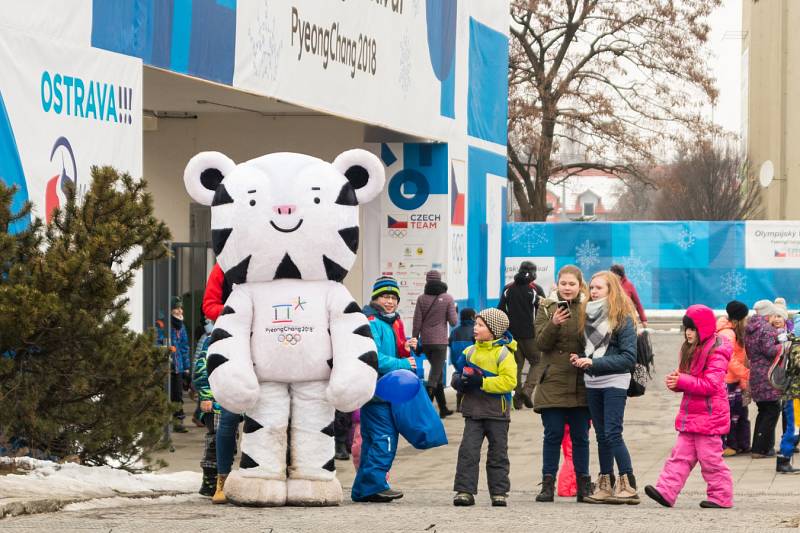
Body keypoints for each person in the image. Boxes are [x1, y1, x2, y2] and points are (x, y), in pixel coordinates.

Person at [645, 304, 733, 509]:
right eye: (686, 328)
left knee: (710, 461)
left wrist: (682, 381)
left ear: (702, 328)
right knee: (680, 456)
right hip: (692, 415)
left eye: (692, 328)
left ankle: (722, 497)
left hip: (709, 417)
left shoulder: (717, 350)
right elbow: (688, 378)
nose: (688, 333)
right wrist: (676, 381)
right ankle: (666, 492)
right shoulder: (692, 349)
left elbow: (711, 385)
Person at [570, 271, 639, 504]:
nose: (593, 291)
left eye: (599, 288)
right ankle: (605, 484)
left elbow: (628, 357)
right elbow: (590, 351)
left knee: (612, 433)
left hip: (615, 381)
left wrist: (594, 362)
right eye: (591, 287)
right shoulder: (586, 315)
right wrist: (580, 358)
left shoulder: (623, 317)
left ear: (611, 290)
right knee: (600, 436)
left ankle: (628, 484)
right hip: (592, 380)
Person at [352, 276, 418, 503]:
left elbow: (395, 351)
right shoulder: (372, 322)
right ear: (375, 298)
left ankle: (362, 489)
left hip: (385, 391)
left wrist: (406, 347)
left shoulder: (393, 322)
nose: (389, 302)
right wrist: (403, 364)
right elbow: (375, 357)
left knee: (371, 440)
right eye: (385, 296)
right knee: (384, 439)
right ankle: (375, 485)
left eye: (393, 297)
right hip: (378, 391)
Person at [532, 264, 592, 503]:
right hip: (552, 382)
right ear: (557, 284)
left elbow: (593, 342)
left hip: (581, 382)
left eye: (572, 284)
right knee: (553, 434)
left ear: (580, 285)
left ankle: (583, 485)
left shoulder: (589, 308)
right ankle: (547, 484)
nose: (568, 288)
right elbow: (540, 344)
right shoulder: (546, 308)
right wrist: (554, 323)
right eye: (564, 283)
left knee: (581, 437)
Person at [451, 308, 517, 507]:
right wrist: (459, 382)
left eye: (480, 325)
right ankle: (464, 491)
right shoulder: (469, 351)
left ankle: (499, 492)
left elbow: (509, 382)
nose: (475, 328)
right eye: (476, 324)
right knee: (468, 452)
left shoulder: (504, 354)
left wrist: (482, 382)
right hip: (473, 412)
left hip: (497, 412)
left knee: (498, 454)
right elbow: (457, 373)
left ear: (494, 330)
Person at [201, 264, 241, 504]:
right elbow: (209, 305)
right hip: (231, 344)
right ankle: (222, 478)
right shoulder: (223, 267)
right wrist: (235, 311)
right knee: (228, 417)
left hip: (264, 346)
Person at [498, 261, 546, 409]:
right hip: (531, 334)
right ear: (534, 273)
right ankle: (528, 390)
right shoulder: (536, 289)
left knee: (516, 365)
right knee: (538, 362)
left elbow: (501, 310)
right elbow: (544, 311)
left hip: (512, 334)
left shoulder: (508, 289)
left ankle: (517, 398)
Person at [412, 270, 458, 418]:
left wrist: (414, 338)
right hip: (440, 342)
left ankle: (443, 408)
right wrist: (454, 311)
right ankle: (425, 409)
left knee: (438, 374)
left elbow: (417, 321)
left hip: (426, 341)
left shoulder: (421, 299)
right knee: (434, 376)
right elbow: (453, 321)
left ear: (427, 281)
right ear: (439, 280)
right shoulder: (448, 298)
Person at [746, 300, 785, 459]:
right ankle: (761, 449)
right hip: (767, 374)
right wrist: (783, 344)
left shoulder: (750, 327)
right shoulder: (766, 329)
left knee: (764, 410)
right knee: (772, 410)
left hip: (755, 372)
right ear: (768, 313)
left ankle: (761, 446)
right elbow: (770, 351)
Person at [717, 301, 751, 457]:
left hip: (736, 380)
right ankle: (726, 445)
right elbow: (729, 359)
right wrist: (746, 373)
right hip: (727, 381)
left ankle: (741, 444)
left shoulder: (736, 332)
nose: (747, 321)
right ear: (737, 320)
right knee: (729, 415)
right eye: (745, 318)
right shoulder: (727, 334)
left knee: (740, 413)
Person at [193, 330, 220, 497]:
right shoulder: (213, 338)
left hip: (236, 396)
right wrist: (206, 396)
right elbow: (202, 368)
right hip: (215, 399)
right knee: (217, 438)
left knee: (229, 438)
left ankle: (221, 479)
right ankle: (210, 481)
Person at [162, 297, 190, 433]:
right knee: (164, 395)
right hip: (165, 367)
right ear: (170, 310)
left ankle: (178, 421)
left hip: (177, 367)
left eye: (181, 308)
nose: (180, 311)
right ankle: (161, 422)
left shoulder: (181, 326)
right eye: (176, 308)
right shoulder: (163, 324)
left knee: (177, 395)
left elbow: (184, 347)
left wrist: (186, 368)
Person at [449, 308, 476, 412]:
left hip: (458, 366)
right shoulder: (476, 331)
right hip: (472, 365)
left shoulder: (454, 332)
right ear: (472, 317)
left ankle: (459, 402)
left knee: (461, 376)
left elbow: (451, 348)